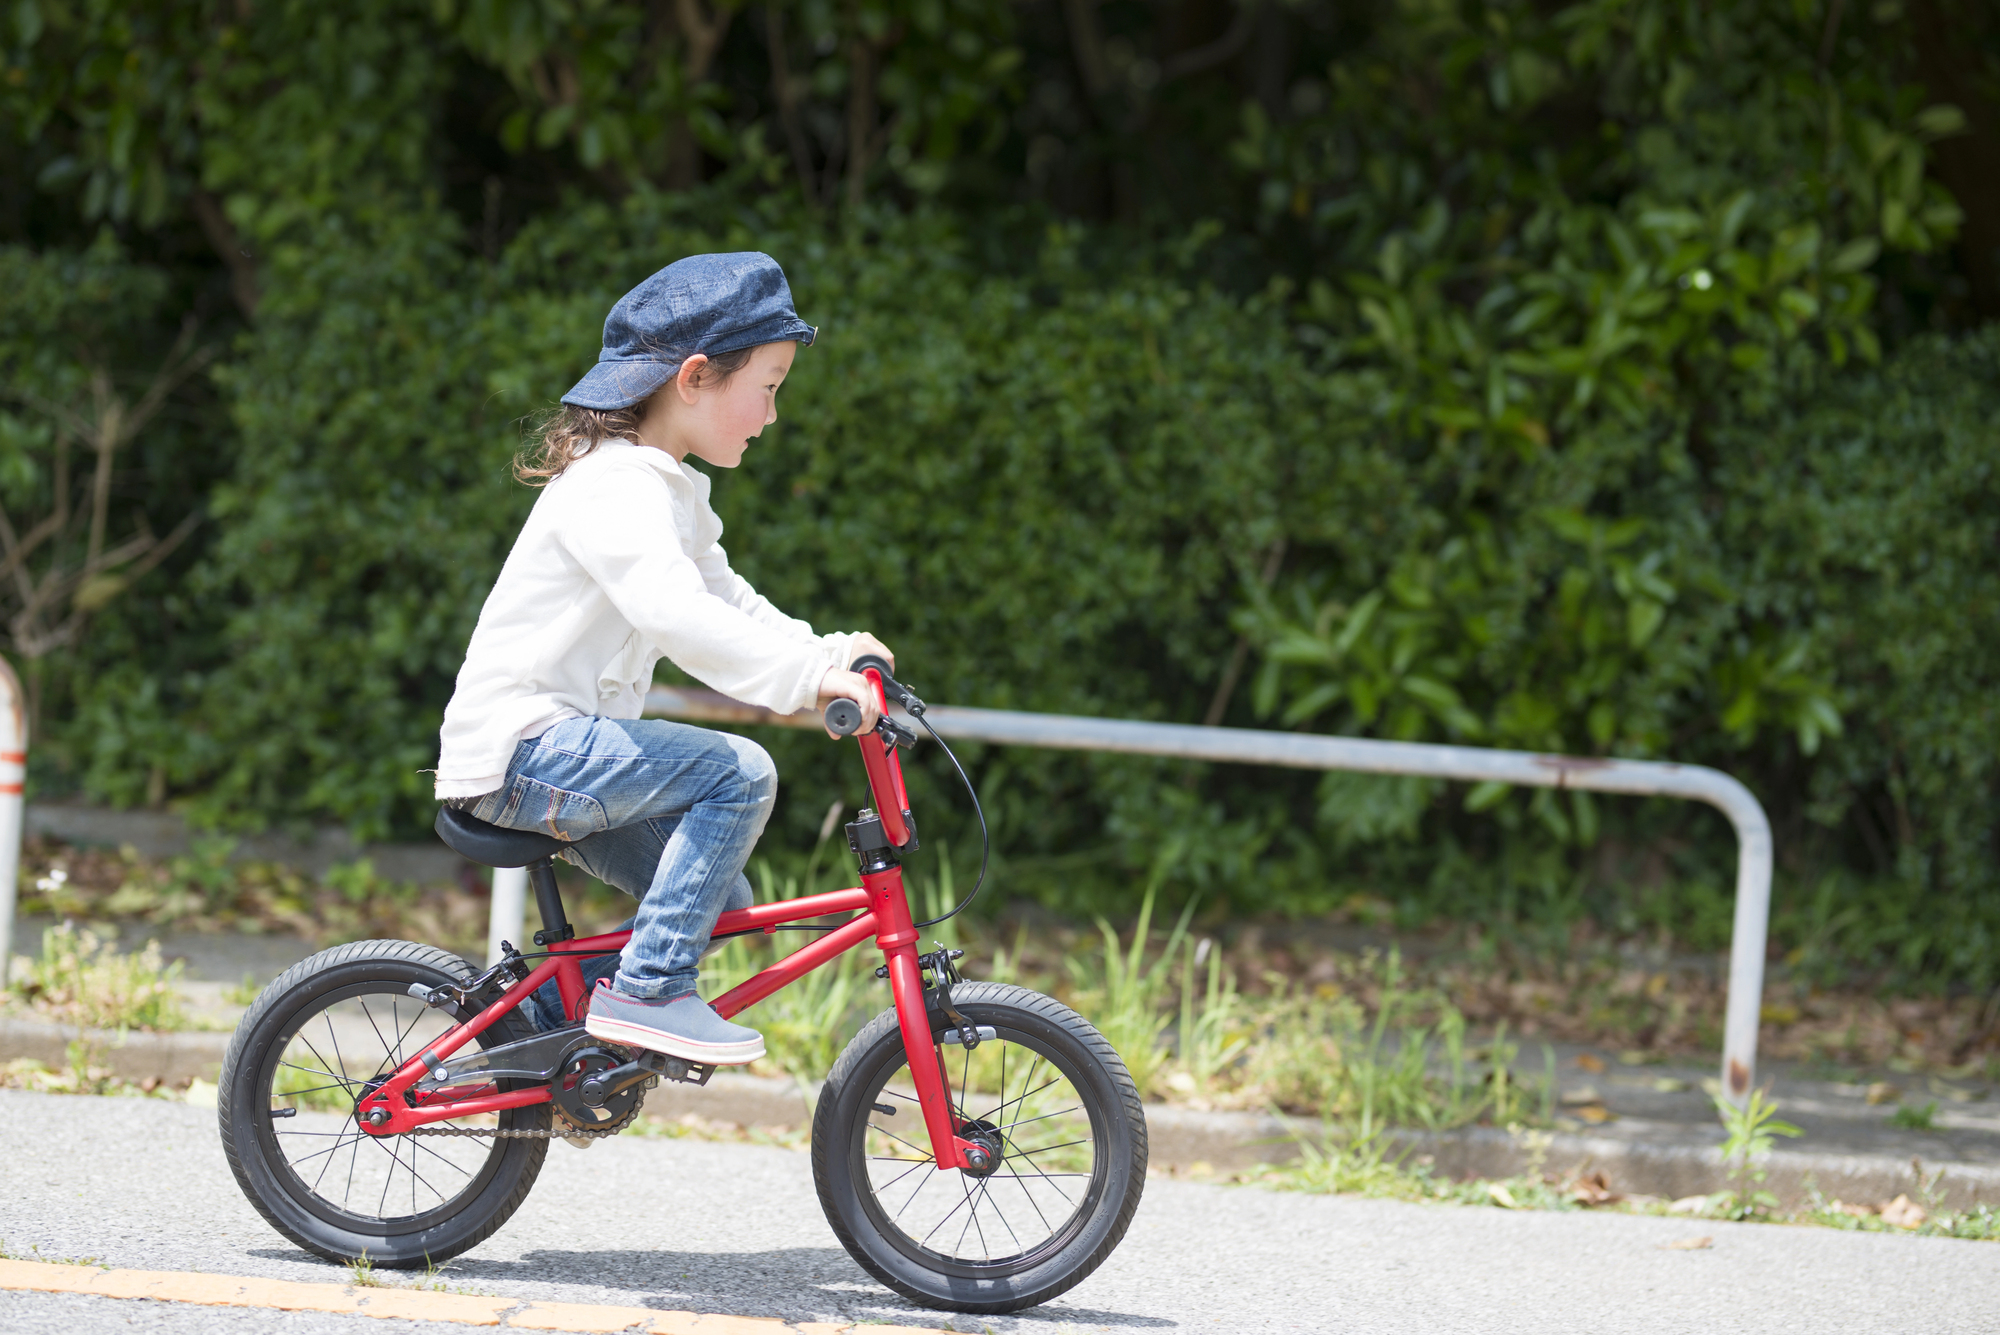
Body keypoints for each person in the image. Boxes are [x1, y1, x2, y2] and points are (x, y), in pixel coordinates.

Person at [433, 252, 891, 1066]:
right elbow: (677, 615)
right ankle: (645, 996)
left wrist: (829, 650)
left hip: (561, 755)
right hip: (526, 749)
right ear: (694, 379)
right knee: (738, 771)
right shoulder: (616, 487)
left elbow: (727, 598)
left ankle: (541, 1044)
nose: (773, 414)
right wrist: (806, 682)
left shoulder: (670, 488)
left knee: (717, 900)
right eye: (771, 385)